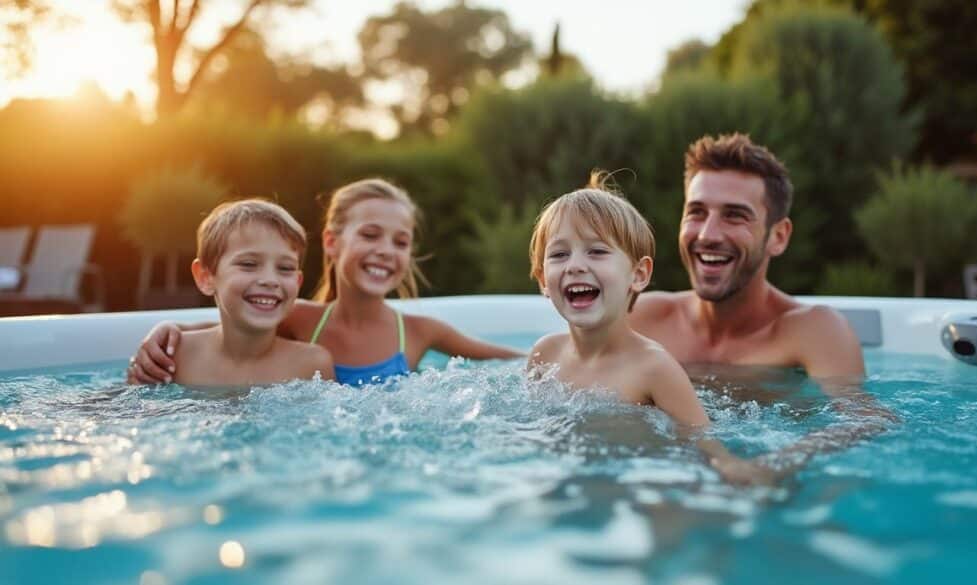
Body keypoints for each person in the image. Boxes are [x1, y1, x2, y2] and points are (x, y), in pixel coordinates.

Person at [629, 133, 896, 482]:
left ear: (778, 236)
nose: (708, 234)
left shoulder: (812, 330)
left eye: (735, 216)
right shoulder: (642, 318)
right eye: (696, 212)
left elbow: (866, 420)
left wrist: (774, 465)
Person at [127, 179, 521, 387]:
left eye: (400, 242)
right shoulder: (299, 320)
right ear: (331, 242)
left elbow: (513, 363)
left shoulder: (419, 332)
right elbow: (229, 330)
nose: (386, 250)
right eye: (370, 235)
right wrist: (168, 332)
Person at [526, 176, 710, 429]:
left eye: (597, 251)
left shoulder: (655, 368)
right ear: (543, 280)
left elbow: (706, 449)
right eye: (559, 254)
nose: (575, 266)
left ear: (638, 274)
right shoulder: (544, 354)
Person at [167, 199, 334, 386]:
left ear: (298, 281)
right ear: (205, 277)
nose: (270, 280)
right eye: (248, 264)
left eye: (285, 268)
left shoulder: (311, 365)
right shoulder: (175, 356)